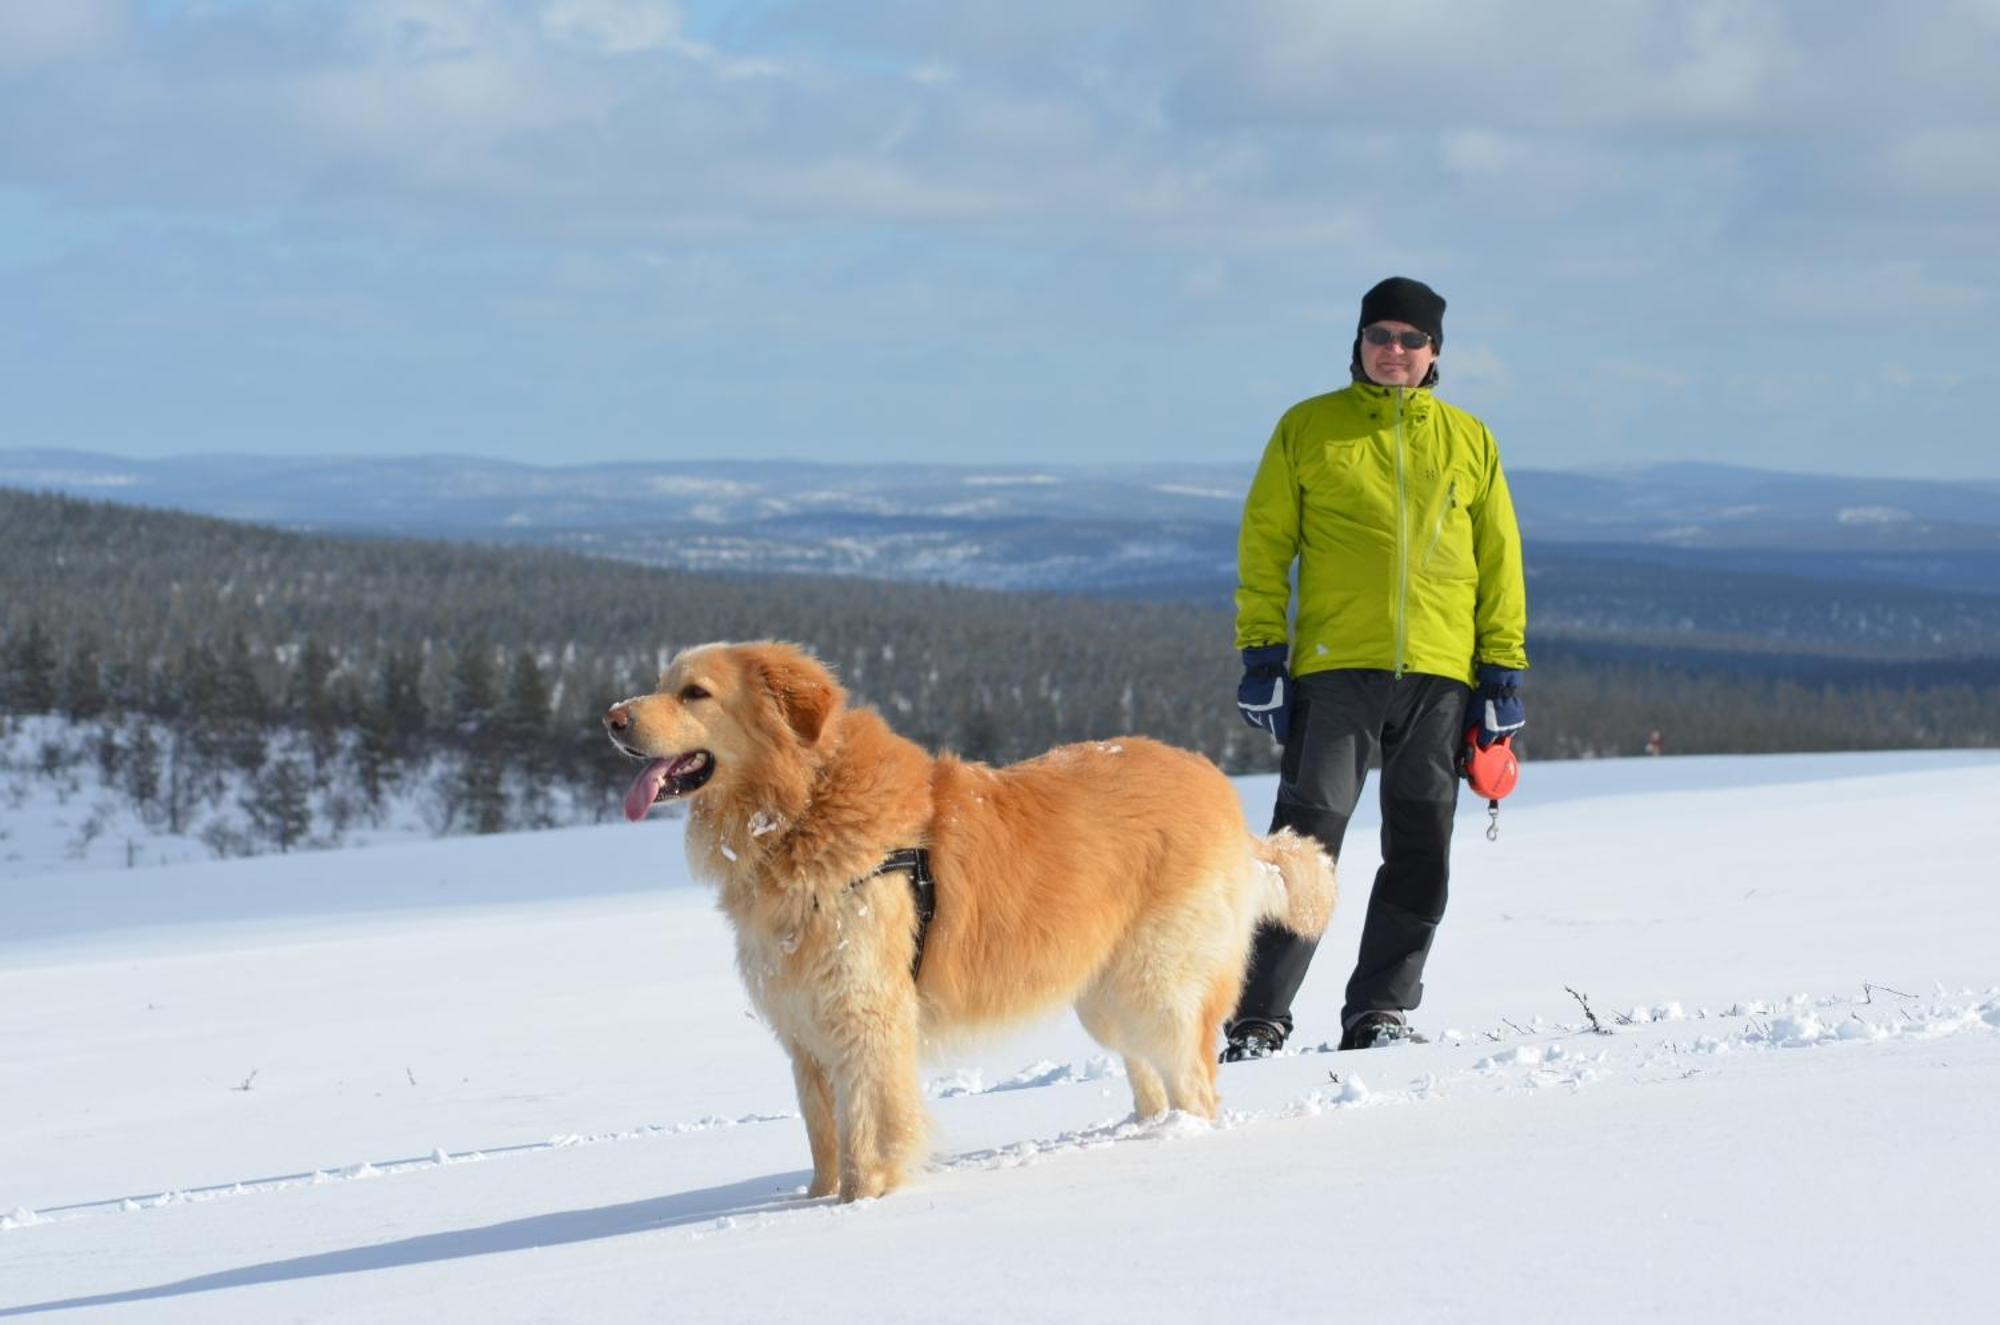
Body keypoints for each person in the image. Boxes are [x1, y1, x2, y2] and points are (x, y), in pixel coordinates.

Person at [1228, 276, 1528, 1057]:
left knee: (1421, 847)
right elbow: (1265, 545)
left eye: (1411, 339)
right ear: (1358, 343)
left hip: (1441, 674)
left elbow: (1500, 561)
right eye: (1381, 336)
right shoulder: (1309, 429)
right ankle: (1256, 1017)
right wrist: (1263, 653)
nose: (1395, 351)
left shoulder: (1470, 439)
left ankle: (1380, 1011)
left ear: (1435, 353)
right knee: (1303, 847)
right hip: (1337, 670)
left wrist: (1501, 672)